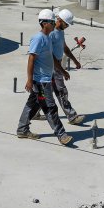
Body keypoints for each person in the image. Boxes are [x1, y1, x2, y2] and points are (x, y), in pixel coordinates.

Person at [17, 9, 73, 145]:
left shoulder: (47, 38)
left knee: (32, 105)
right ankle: (61, 134)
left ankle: (22, 129)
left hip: (45, 80)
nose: (54, 24)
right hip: (41, 82)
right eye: (52, 22)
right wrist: (30, 80)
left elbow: (52, 58)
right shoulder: (38, 38)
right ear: (44, 23)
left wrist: (62, 71)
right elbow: (31, 59)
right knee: (50, 107)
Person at [49, 8, 85, 125]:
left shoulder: (60, 31)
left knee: (44, 91)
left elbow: (64, 48)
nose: (67, 26)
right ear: (59, 20)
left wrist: (75, 61)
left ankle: (35, 112)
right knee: (61, 91)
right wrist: (63, 71)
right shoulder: (51, 32)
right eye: (66, 24)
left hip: (56, 64)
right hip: (52, 65)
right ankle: (72, 116)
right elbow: (49, 53)